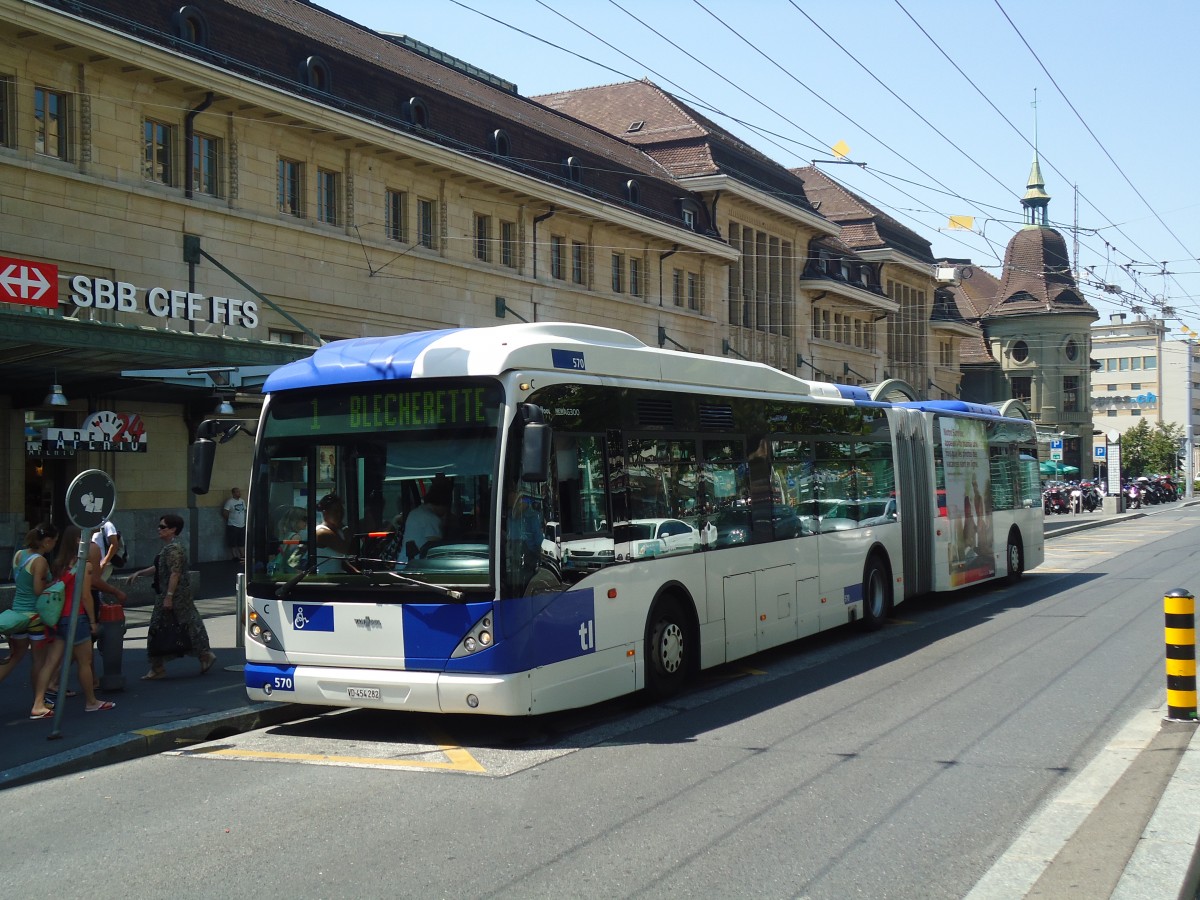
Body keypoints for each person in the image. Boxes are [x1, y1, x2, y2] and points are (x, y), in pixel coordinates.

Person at [28, 527, 115, 718]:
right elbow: (85, 596)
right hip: (77, 617)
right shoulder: (84, 566)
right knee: (85, 661)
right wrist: (92, 621)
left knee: (50, 663)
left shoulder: (59, 563)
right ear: (78, 540)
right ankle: (92, 701)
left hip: (59, 618)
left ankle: (38, 703)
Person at [127, 514, 216, 679]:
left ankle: (158, 667)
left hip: (174, 596)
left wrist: (168, 596)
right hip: (176, 596)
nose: (158, 529)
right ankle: (203, 655)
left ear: (173, 530)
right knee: (189, 625)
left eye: (163, 527)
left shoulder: (174, 549)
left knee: (159, 628)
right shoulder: (170, 548)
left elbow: (175, 573)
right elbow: (159, 567)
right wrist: (139, 573)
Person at [0, 524, 59, 708]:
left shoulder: (19, 555)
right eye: (54, 542)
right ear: (47, 542)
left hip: (18, 613)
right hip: (35, 616)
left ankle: (39, 700)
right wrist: (55, 584)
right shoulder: (40, 561)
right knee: (39, 661)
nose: (54, 546)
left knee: (15, 657)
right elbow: (38, 589)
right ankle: (39, 701)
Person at [401, 474, 452, 562]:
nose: (445, 512)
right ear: (442, 504)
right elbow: (435, 551)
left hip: (403, 564)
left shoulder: (415, 513)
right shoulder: (432, 519)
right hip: (419, 568)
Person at [314, 493, 356, 573]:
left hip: (336, 579)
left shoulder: (338, 531)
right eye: (335, 511)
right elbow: (348, 550)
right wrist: (345, 528)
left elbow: (341, 560)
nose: (339, 514)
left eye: (341, 511)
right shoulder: (322, 532)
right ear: (325, 513)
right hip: (324, 581)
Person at [221, 487, 246, 561]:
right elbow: (225, 513)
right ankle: (234, 556)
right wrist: (231, 520)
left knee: (241, 541)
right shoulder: (230, 502)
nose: (239, 493)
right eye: (237, 492)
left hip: (242, 525)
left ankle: (243, 555)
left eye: (239, 492)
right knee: (233, 542)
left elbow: (244, 511)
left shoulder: (242, 501)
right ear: (233, 493)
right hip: (233, 525)